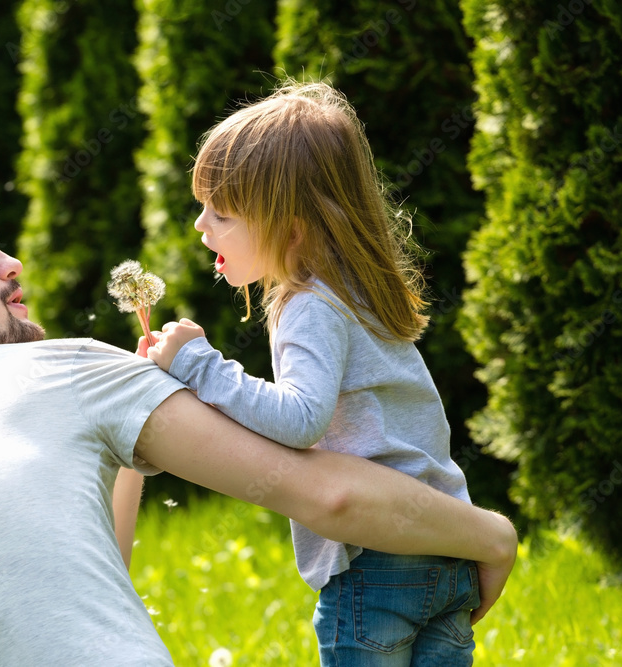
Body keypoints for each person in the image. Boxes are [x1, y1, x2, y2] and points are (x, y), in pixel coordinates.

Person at [0, 174, 516, 666]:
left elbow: (74, 579)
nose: (10, 261)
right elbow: (330, 495)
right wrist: (492, 534)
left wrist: (122, 434)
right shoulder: (61, 368)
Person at [144, 81, 487, 666]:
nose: (201, 226)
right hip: (446, 551)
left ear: (293, 227)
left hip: (377, 561)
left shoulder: (309, 304)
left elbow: (302, 419)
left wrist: (196, 364)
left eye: (221, 213)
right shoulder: (359, 293)